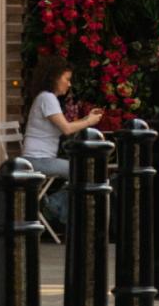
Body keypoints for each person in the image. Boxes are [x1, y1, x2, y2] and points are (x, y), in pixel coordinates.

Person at [22, 55, 103, 228]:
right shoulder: (47, 99)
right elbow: (66, 129)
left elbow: (65, 128)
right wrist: (88, 122)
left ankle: (54, 207)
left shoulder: (45, 98)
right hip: (38, 160)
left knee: (81, 172)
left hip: (40, 158)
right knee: (82, 171)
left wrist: (86, 119)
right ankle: (53, 207)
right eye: (67, 79)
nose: (69, 84)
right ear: (54, 78)